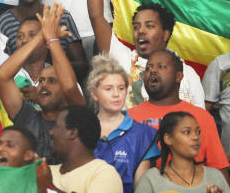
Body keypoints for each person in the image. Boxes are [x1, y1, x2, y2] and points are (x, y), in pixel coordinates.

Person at [88, 0, 207, 106]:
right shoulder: (123, 60)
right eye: (136, 27)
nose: (141, 31)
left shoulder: (187, 74)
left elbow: (200, 122)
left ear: (165, 34)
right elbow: (96, 17)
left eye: (149, 26)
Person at [0, 4, 85, 161]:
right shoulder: (27, 117)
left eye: (52, 81)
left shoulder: (75, 118)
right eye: (42, 81)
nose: (44, 85)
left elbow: (71, 87)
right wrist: (42, 35)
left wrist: (52, 39)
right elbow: (2, 75)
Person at [129, 50, 230, 173]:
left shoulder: (201, 117)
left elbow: (219, 170)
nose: (153, 70)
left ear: (178, 76)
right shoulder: (128, 118)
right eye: (149, 68)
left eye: (161, 67)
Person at [87, 55, 159, 193]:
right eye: (108, 89)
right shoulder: (81, 128)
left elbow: (141, 189)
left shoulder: (143, 134)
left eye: (121, 88)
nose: (116, 94)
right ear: (94, 94)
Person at [134, 111, 230, 192]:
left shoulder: (215, 176)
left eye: (198, 132)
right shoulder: (151, 179)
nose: (196, 137)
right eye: (186, 132)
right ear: (168, 138)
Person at [38, 105, 124, 193]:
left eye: (56, 126)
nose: (51, 132)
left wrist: (49, 186)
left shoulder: (104, 174)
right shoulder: (47, 172)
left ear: (72, 133)